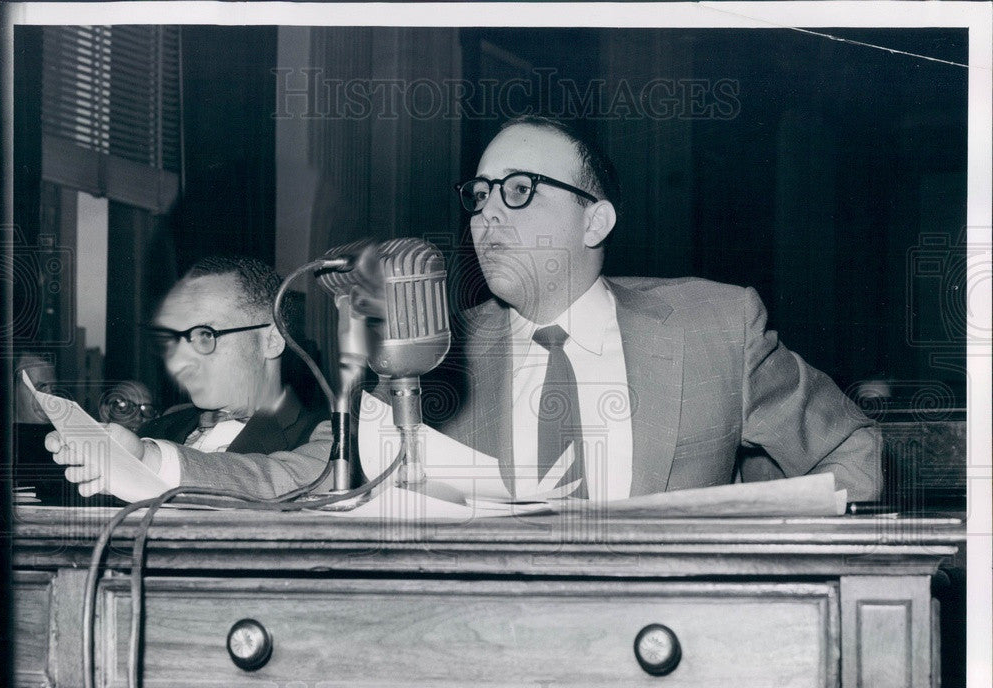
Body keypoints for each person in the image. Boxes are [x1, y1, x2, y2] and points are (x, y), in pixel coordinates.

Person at [48, 117, 880, 502]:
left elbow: (853, 452)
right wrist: (153, 466)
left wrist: (761, 543)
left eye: (520, 191)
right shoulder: (428, 348)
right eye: (478, 195)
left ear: (596, 219)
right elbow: (306, 476)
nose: (486, 216)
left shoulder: (717, 325)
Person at [46, 256, 328, 496]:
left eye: (206, 334)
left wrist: (149, 461)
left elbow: (272, 482)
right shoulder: (154, 431)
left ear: (272, 341)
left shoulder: (328, 440)